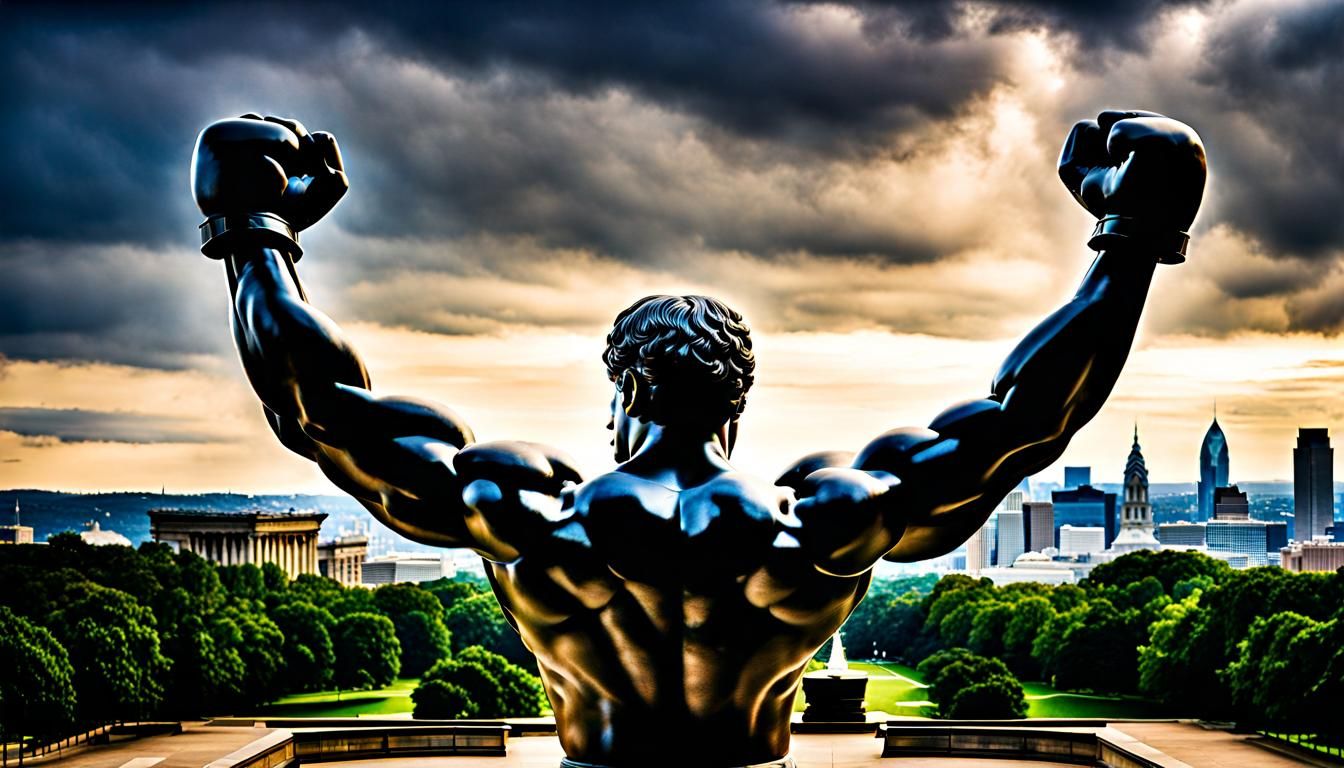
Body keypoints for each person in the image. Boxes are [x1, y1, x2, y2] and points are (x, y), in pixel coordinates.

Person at [190, 109, 1205, 767]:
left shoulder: (526, 512)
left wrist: (255, 231)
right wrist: (1133, 235)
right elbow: (1030, 422)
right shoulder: (827, 521)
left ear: (623, 387)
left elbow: (318, 409)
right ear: (736, 407)